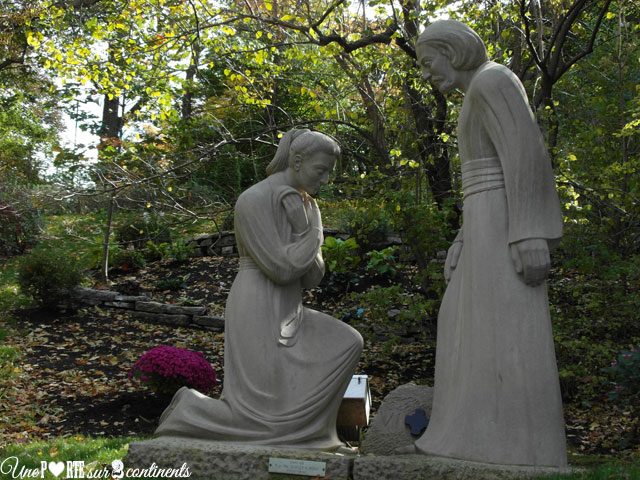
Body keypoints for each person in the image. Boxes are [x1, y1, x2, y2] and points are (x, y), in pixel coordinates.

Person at [410, 20, 567, 467]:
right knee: (462, 323)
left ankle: (517, 445)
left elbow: (524, 155)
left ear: (452, 51)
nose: (426, 74)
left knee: (506, 327)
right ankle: (472, 436)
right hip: (483, 222)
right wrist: (463, 237)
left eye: (428, 62)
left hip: (503, 224)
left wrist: (529, 231)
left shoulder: (493, 80)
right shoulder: (476, 92)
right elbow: (483, 178)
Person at [156, 129, 363, 450]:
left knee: (347, 342)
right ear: (297, 161)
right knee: (258, 412)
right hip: (257, 303)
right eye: (320, 170)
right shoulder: (253, 199)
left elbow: (312, 277)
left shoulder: (309, 206)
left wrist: (308, 228)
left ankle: (310, 434)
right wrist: (308, 234)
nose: (325, 180)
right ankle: (190, 410)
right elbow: (280, 269)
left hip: (290, 306)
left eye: (329, 173)